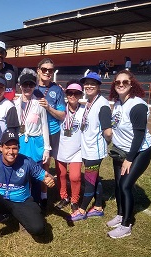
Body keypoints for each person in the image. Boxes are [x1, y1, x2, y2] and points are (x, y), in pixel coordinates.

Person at [0, 129, 56, 254]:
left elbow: (45, 175)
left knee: (39, 229)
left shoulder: (27, 162)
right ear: (1, 147)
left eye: (14, 148)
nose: (11, 152)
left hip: (22, 201)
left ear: (19, 148)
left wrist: (49, 180)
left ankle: (22, 219)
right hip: (0, 200)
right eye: (7, 148)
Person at [107, 70, 151, 238]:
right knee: (118, 184)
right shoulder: (118, 103)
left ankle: (126, 225)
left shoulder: (137, 106)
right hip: (120, 150)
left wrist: (129, 159)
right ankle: (120, 214)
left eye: (124, 82)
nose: (120, 84)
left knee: (126, 186)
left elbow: (139, 135)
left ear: (131, 84)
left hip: (139, 151)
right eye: (117, 82)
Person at [69, 72, 112, 222]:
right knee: (95, 179)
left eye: (92, 84)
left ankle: (82, 210)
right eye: (86, 83)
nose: (88, 86)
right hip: (88, 149)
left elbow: (108, 131)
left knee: (89, 181)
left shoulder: (103, 104)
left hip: (94, 151)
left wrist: (106, 143)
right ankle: (98, 206)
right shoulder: (89, 102)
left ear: (99, 86)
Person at [13, 68, 51, 207]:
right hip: (21, 142)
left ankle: (35, 204)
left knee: (36, 176)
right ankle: (23, 203)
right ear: (20, 86)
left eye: (31, 85)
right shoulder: (15, 103)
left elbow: (45, 126)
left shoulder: (39, 103)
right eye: (25, 85)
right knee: (22, 174)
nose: (27, 88)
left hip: (36, 143)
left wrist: (47, 149)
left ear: (34, 86)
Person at [34, 58, 66, 211]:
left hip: (53, 132)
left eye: (50, 70)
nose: (47, 72)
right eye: (44, 69)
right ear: (38, 70)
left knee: (48, 164)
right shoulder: (31, 87)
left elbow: (62, 115)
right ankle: (33, 191)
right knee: (35, 162)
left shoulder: (57, 90)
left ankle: (44, 195)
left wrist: (48, 108)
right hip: (36, 132)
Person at [54, 81, 85, 212]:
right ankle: (64, 197)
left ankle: (75, 200)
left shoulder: (85, 110)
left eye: (76, 93)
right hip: (60, 148)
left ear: (80, 95)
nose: (73, 96)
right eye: (70, 93)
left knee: (75, 177)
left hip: (77, 150)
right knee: (60, 175)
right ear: (66, 94)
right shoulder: (60, 109)